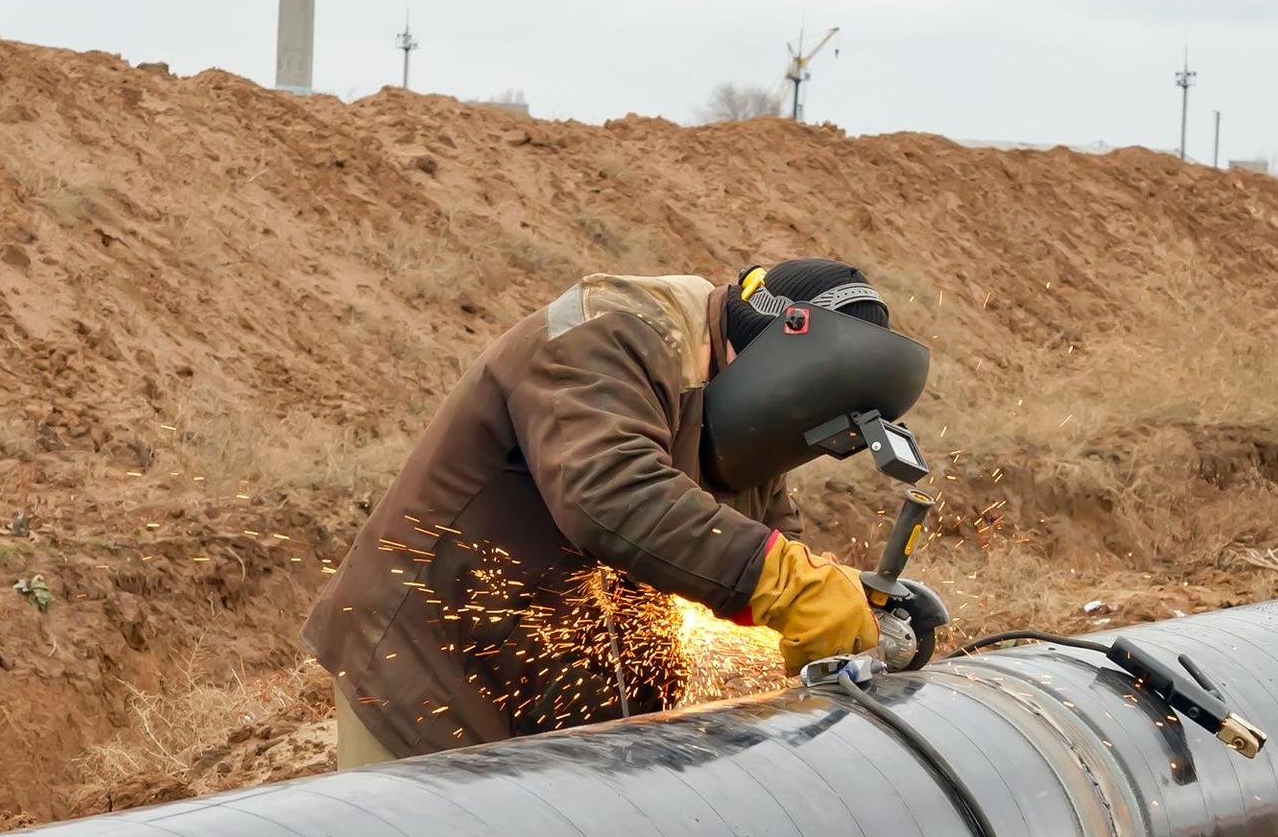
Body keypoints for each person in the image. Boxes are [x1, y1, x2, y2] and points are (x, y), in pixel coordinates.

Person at [305, 258, 938, 768]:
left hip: (563, 710)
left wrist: (855, 603)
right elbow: (608, 490)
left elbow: (761, 546)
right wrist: (786, 584)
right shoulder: (607, 333)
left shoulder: (740, 416)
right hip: (429, 678)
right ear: (777, 351)